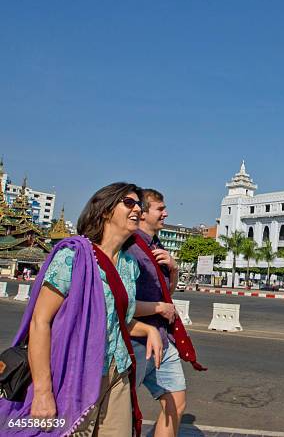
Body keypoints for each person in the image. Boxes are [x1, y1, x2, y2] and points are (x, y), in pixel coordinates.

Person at [0, 182, 163, 437]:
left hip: (116, 372)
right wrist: (43, 392)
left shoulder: (129, 265)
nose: (137, 210)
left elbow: (114, 318)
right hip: (75, 371)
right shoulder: (73, 256)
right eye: (129, 203)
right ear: (105, 210)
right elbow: (40, 322)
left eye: (139, 205)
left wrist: (148, 329)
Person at [127, 189, 186, 437]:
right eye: (160, 209)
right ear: (143, 213)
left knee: (176, 402)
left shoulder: (157, 246)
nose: (166, 213)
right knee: (119, 409)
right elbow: (121, 302)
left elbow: (166, 294)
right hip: (134, 338)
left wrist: (173, 270)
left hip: (162, 338)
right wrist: (159, 308)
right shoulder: (129, 248)